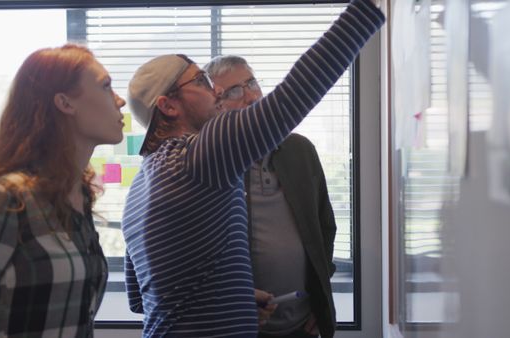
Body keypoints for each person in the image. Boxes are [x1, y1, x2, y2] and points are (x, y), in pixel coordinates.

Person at [121, 1, 384, 336]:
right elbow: (295, 95)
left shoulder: (140, 186)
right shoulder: (196, 156)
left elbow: (142, 298)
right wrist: (368, 9)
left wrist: (233, 298)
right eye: (201, 80)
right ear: (169, 105)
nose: (215, 92)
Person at [0, 44, 126, 337]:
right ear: (65, 103)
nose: (120, 100)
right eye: (106, 86)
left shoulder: (78, 196)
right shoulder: (5, 200)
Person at [204, 55, 338, 338]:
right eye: (234, 92)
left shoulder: (300, 150)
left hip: (302, 326)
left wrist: (320, 297)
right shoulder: (211, 164)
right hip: (238, 328)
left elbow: (324, 227)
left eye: (251, 83)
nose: (251, 96)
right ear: (214, 106)